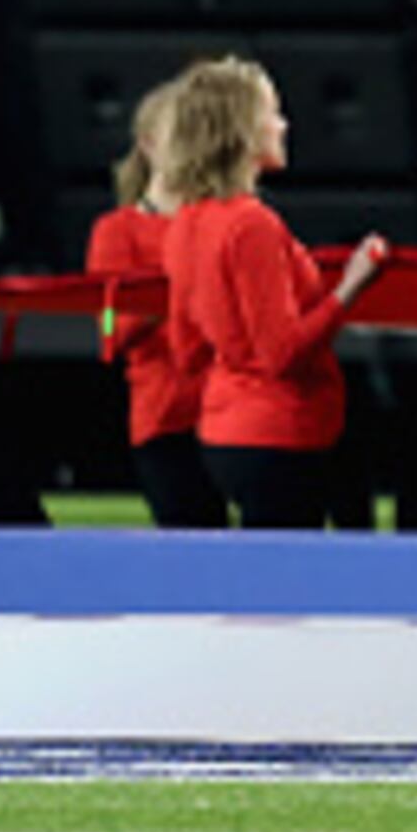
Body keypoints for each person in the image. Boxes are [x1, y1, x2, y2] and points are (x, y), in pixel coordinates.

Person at [159, 56, 390, 530]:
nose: (283, 125)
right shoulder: (251, 225)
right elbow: (282, 353)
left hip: (226, 436)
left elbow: (186, 349)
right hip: (281, 438)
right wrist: (350, 286)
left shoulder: (185, 225)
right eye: (273, 113)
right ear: (242, 131)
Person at [86, 79, 225, 531]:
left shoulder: (229, 222)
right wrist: (180, 292)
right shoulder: (117, 231)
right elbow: (114, 331)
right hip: (166, 417)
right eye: (180, 132)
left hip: (232, 415)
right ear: (148, 144)